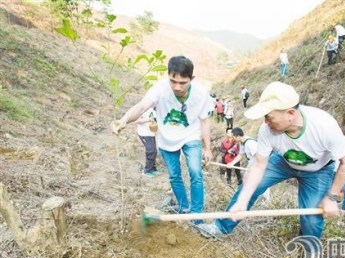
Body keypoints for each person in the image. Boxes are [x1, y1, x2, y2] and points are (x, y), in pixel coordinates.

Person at [197, 82, 345, 251]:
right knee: (248, 188)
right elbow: (258, 165)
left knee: (311, 214)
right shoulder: (267, 130)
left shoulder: (324, 125)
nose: (265, 122)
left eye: (269, 116)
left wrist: (331, 198)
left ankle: (311, 250)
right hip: (282, 162)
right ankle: (221, 227)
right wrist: (243, 201)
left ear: (290, 114)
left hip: (318, 170)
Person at [111, 56, 213, 224]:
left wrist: (207, 148)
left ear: (191, 79)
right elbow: (142, 106)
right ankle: (183, 207)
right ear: (168, 76)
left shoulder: (201, 93)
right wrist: (123, 120)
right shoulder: (160, 88)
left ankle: (196, 215)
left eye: (183, 83)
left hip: (191, 136)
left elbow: (204, 120)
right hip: (166, 139)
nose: (177, 87)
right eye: (173, 81)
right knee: (174, 176)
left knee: (196, 172)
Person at [229, 127, 271, 202]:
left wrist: (255, 168)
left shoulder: (250, 143)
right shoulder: (242, 142)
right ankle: (242, 198)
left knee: (262, 183)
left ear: (238, 136)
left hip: (258, 165)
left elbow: (259, 157)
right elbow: (240, 155)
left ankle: (266, 201)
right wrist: (231, 164)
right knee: (245, 181)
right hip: (251, 164)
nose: (232, 139)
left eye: (233, 137)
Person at [132, 107, 160, 178]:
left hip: (151, 133)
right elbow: (136, 121)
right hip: (144, 134)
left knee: (154, 151)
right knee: (151, 151)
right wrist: (148, 119)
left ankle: (153, 168)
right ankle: (147, 170)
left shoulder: (155, 109)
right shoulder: (143, 109)